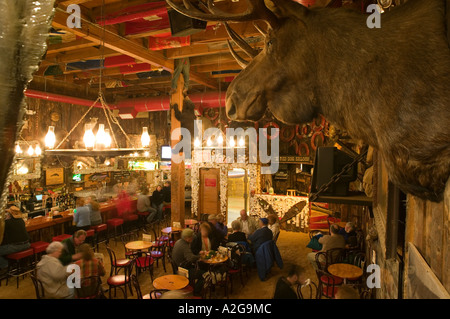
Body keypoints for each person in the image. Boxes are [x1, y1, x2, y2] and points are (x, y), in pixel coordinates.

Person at [171, 228, 204, 296]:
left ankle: (192, 286)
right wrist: (199, 256)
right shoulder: (184, 245)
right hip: (183, 270)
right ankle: (196, 292)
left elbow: (188, 256)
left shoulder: (178, 242)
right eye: (192, 237)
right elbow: (190, 258)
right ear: (187, 238)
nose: (193, 238)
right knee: (204, 275)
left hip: (177, 268)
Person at [0, 206, 30, 273]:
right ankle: (14, 264)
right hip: (27, 244)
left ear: (9, 215)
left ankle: (6, 265)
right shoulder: (21, 221)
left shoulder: (7, 223)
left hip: (16, 246)